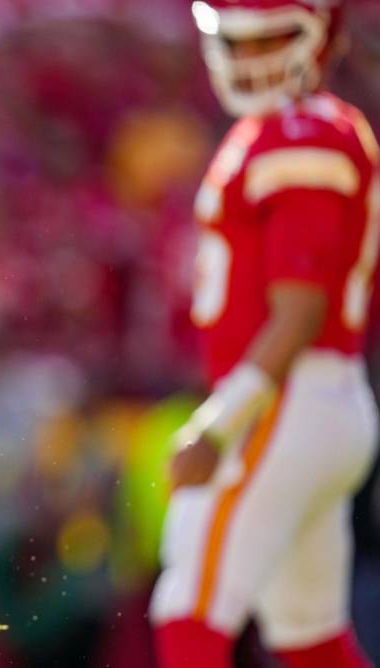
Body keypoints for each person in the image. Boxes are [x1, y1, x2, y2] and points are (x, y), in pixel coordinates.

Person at [151, 2, 377, 666]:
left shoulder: (301, 134)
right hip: (317, 403)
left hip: (285, 399)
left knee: (186, 609)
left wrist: (221, 423)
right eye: (236, 42)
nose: (249, 58)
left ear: (319, 36)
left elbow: (300, 311)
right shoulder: (287, 129)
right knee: (310, 640)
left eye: (270, 39)